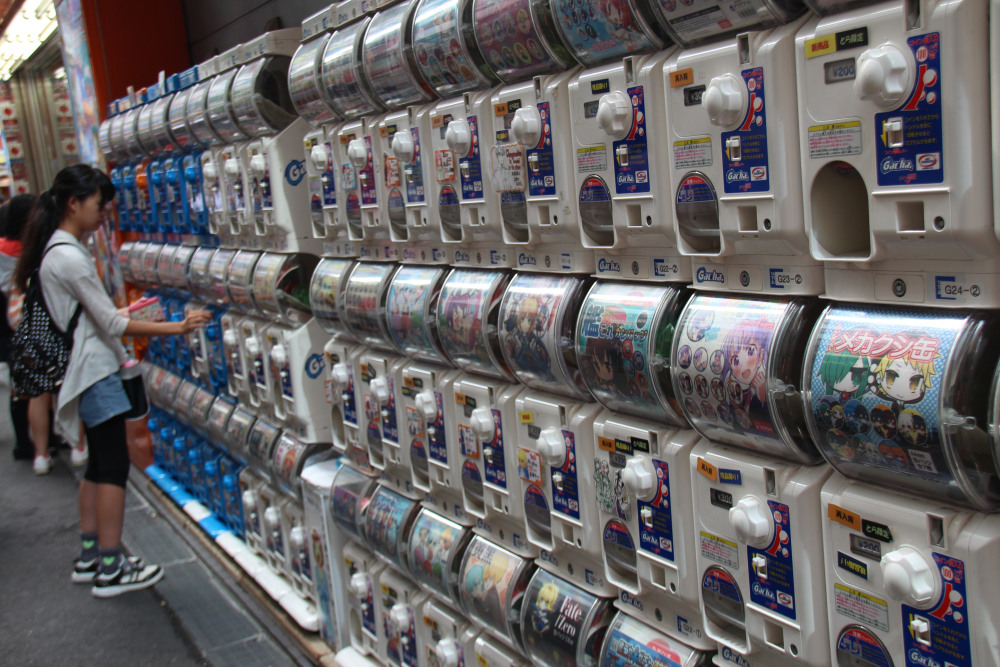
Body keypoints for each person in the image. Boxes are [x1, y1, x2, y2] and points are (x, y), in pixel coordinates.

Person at [13, 165, 211, 598]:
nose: (105, 213)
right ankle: (111, 567)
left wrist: (129, 313)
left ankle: (90, 556)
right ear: (74, 203)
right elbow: (108, 325)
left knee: (98, 466)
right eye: (100, 204)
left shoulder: (56, 251)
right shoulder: (69, 256)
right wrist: (178, 327)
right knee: (113, 469)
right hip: (95, 373)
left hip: (81, 371)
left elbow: (91, 319)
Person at [0, 195, 34, 462]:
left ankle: (24, 442)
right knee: (32, 382)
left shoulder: (2, 247)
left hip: (6, 323)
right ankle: (30, 443)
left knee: (19, 381)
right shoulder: (29, 250)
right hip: (23, 322)